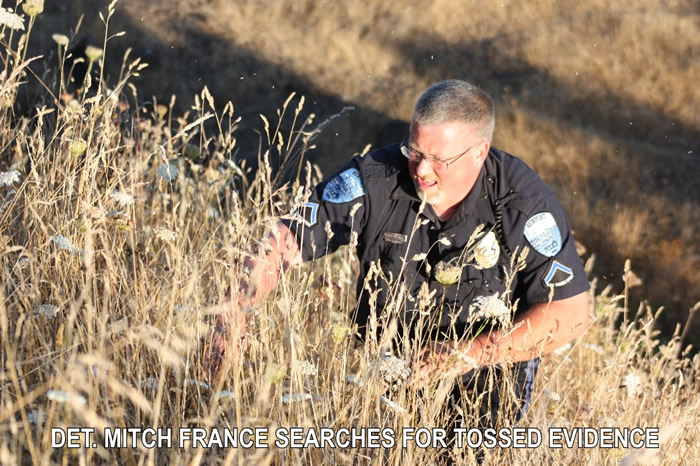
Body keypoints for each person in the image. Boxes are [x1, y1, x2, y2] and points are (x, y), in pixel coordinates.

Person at [203, 79, 590, 433]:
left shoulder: (524, 202)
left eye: (440, 160)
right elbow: (286, 237)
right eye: (415, 150)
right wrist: (234, 312)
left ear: (479, 153)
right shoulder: (376, 177)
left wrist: (468, 355)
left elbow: (572, 315)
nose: (422, 170)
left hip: (488, 372)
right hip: (383, 362)